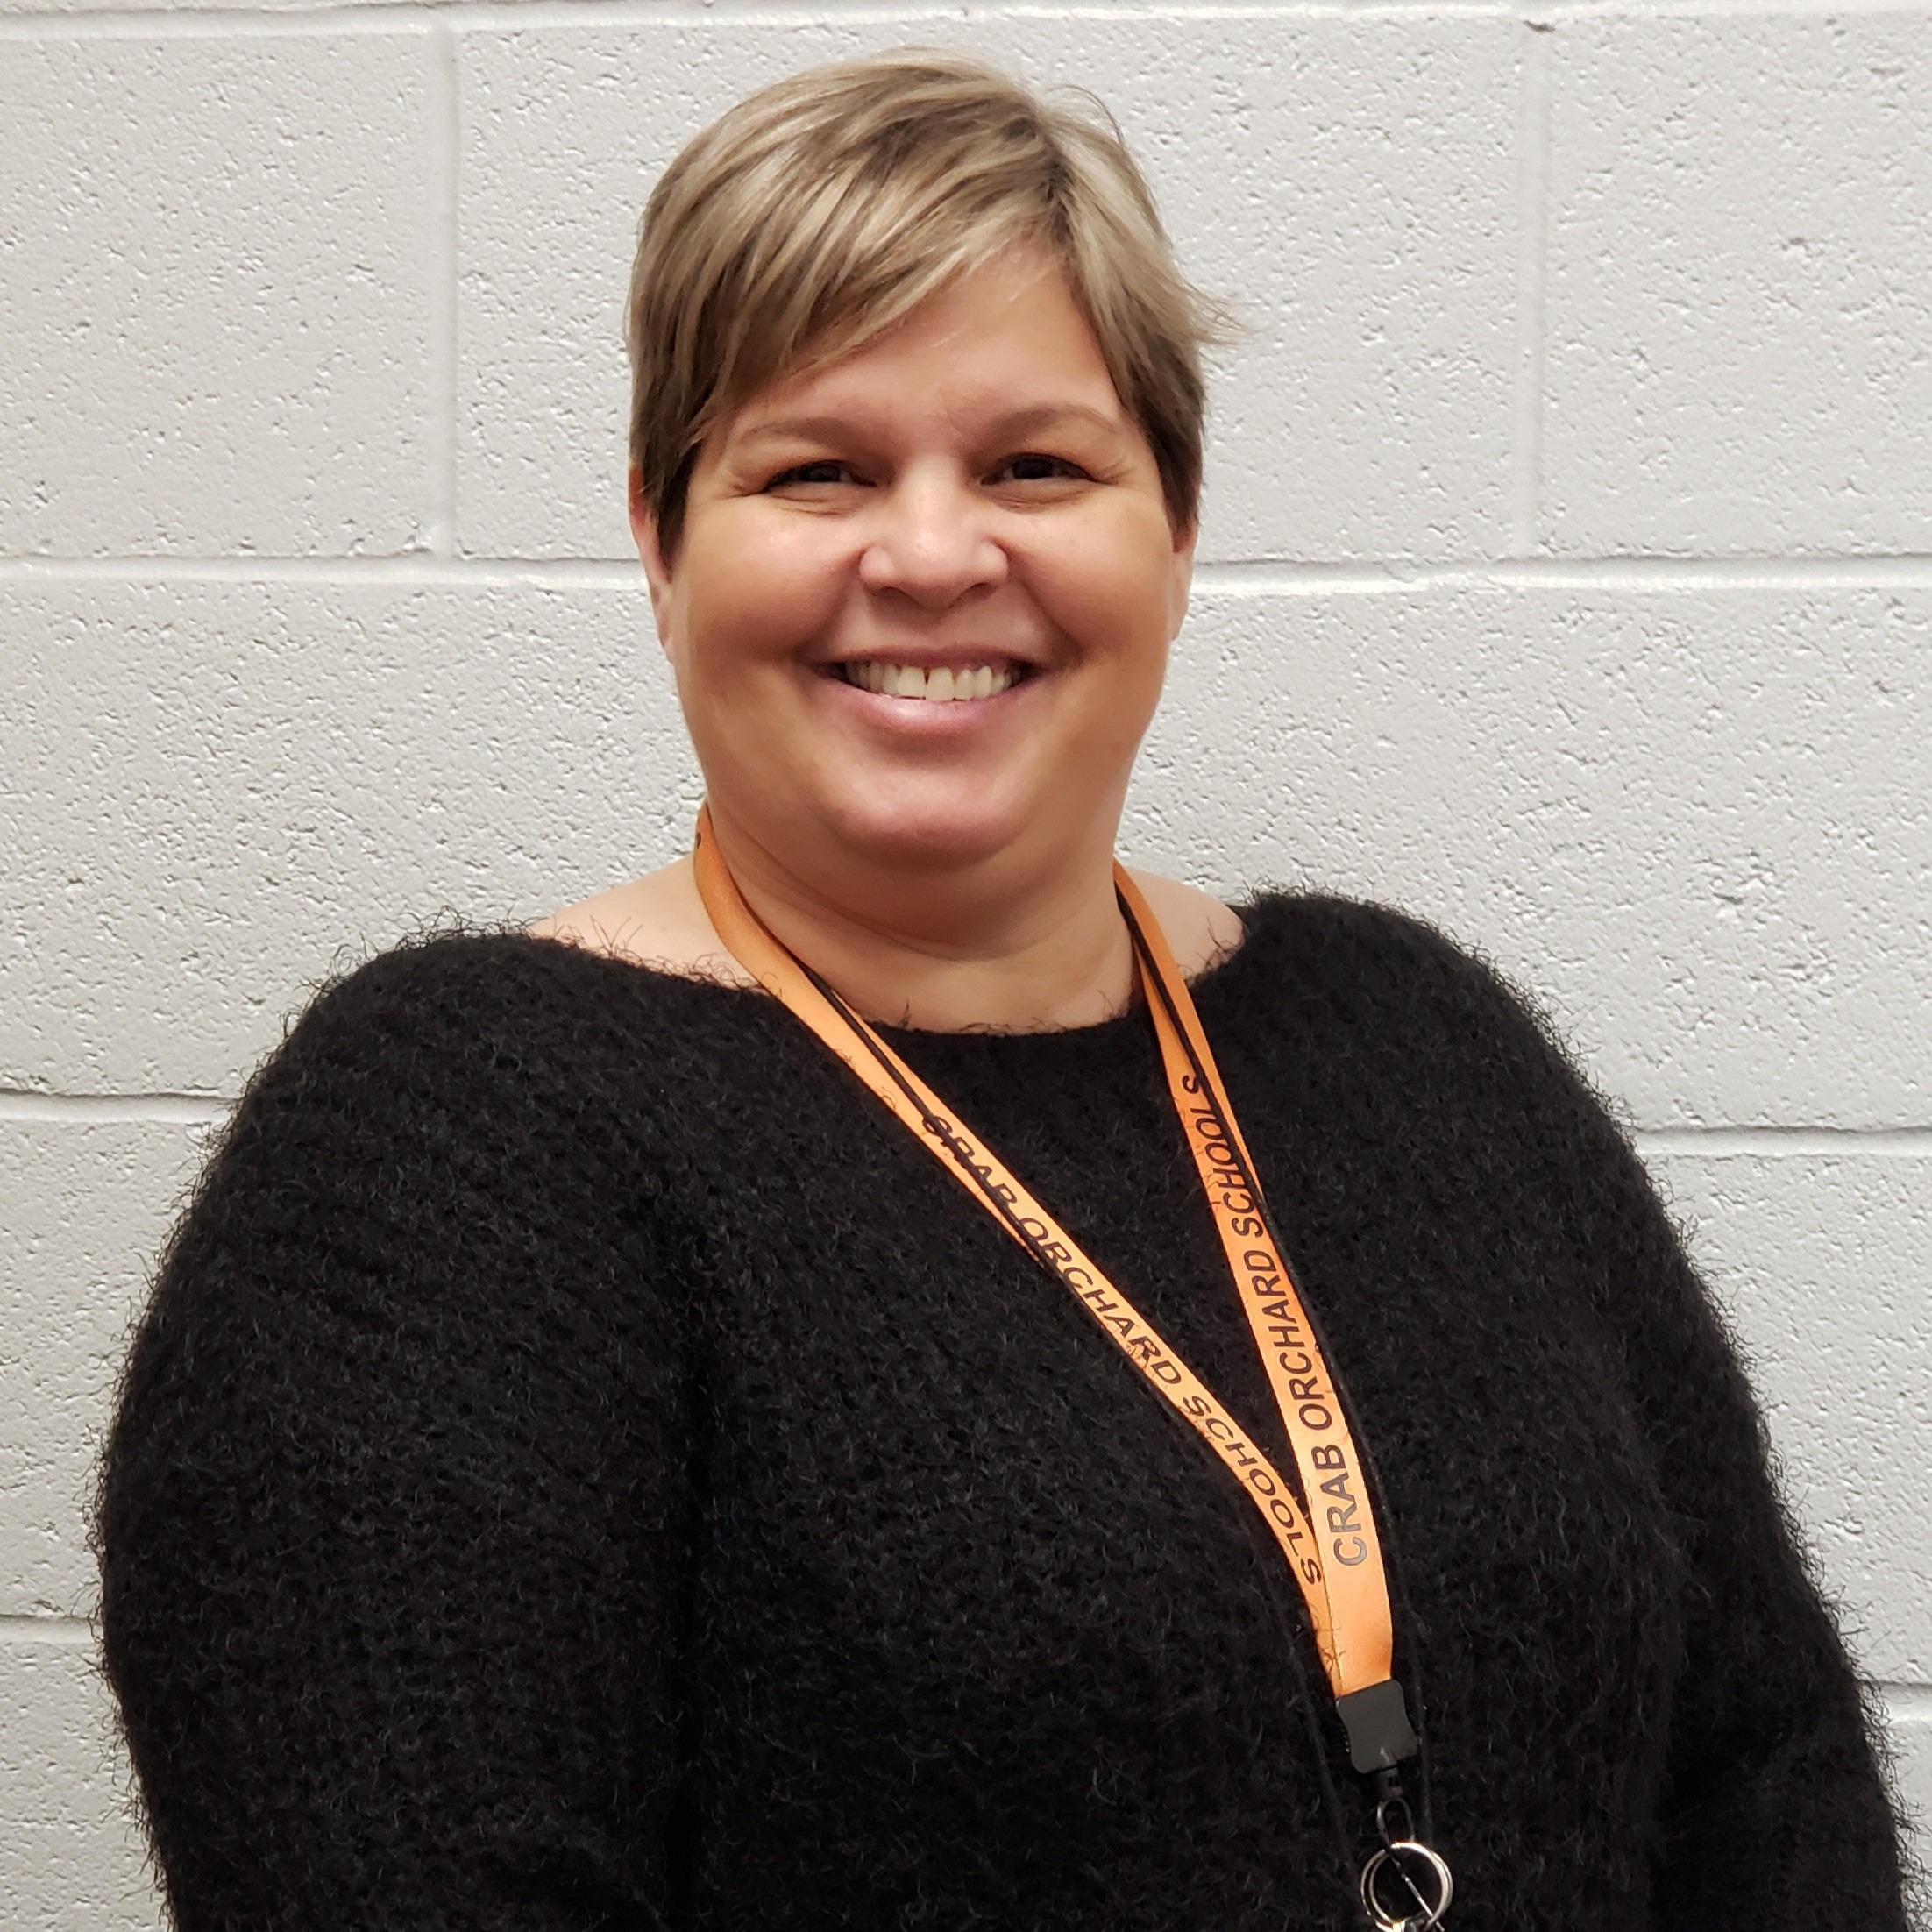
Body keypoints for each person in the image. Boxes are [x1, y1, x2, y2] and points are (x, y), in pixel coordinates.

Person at [97, 49, 1910, 1932]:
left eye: (1037, 464)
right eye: (820, 469)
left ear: (1175, 532)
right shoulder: (443, 1154)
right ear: (658, 536)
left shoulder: (1418, 1040)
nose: (937, 554)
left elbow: (1765, 1756)